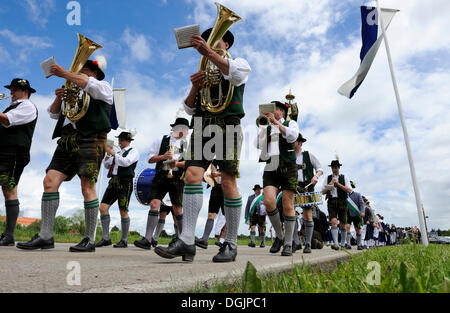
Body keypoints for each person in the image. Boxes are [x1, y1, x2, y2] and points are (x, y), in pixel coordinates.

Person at [154, 26, 251, 263]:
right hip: (202, 126)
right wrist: (195, 86)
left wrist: (208, 52)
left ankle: (230, 244)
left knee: (227, 180)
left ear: (226, 44)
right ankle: (187, 239)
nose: (210, 43)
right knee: (192, 175)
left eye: (215, 40)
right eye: (207, 41)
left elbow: (236, 75)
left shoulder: (239, 62)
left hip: (227, 124)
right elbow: (188, 108)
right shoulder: (203, 70)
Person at [17, 57, 113, 252]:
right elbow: (53, 114)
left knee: (87, 186)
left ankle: (89, 238)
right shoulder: (74, 90)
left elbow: (87, 84)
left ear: (94, 73)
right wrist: (59, 97)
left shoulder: (102, 87)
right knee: (49, 180)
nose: (80, 72)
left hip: (91, 138)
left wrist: (65, 74)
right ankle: (45, 235)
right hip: (67, 139)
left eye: (84, 69)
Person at [134, 117, 189, 250]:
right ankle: (147, 239)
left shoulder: (187, 144)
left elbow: (190, 163)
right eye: (185, 129)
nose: (186, 132)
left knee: (177, 208)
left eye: (187, 130)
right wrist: (163, 157)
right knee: (154, 204)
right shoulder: (161, 140)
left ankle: (183, 240)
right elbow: (150, 159)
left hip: (177, 177)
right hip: (161, 175)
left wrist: (176, 163)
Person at [256, 100, 299, 256]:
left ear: (281, 111)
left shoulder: (290, 122)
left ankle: (288, 243)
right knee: (268, 201)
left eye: (275, 111)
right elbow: (257, 145)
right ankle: (279, 237)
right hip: (271, 167)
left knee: (288, 204)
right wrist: (263, 127)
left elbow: (292, 137)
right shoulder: (267, 127)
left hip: (288, 167)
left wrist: (275, 123)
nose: (273, 113)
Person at [0, 79, 38, 246]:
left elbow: (7, 120)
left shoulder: (27, 106)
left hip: (14, 152)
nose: (11, 92)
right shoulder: (13, 106)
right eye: (12, 89)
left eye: (15, 89)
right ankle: (8, 235)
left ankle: (9, 235)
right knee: (7, 188)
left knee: (9, 189)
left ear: (25, 91)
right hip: (6, 151)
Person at [96, 131, 139, 248]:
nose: (119, 142)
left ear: (127, 141)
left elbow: (126, 162)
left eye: (121, 140)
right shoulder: (118, 152)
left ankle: (124, 240)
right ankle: (106, 238)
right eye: (119, 140)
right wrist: (108, 155)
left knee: (123, 210)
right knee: (103, 207)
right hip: (114, 181)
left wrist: (114, 154)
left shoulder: (133, 151)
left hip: (125, 182)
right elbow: (106, 165)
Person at [294, 133, 323, 253]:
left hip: (307, 187)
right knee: (291, 214)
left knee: (307, 215)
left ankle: (308, 243)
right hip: (293, 187)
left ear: (300, 143)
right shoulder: (289, 156)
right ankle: (295, 242)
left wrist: (316, 176)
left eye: (294, 140)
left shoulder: (308, 155)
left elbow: (320, 168)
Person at [321, 159, 352, 251]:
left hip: (342, 201)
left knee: (343, 224)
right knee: (333, 221)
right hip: (331, 201)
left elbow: (349, 190)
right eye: (332, 168)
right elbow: (323, 192)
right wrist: (331, 184)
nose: (334, 169)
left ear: (338, 168)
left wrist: (338, 184)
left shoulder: (344, 177)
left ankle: (342, 243)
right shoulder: (328, 178)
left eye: (335, 167)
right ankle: (335, 243)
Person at [195, 163, 224, 249]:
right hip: (215, 189)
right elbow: (206, 175)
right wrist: (207, 177)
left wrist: (218, 173)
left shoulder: (228, 159)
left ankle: (229, 241)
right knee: (211, 214)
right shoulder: (213, 162)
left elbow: (234, 173)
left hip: (227, 188)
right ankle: (204, 239)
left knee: (228, 216)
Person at [345, 181, 365, 250]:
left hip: (356, 214)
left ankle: (359, 245)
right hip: (347, 214)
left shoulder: (357, 195)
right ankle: (348, 244)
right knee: (347, 227)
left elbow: (362, 204)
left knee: (358, 230)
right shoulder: (344, 195)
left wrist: (362, 212)